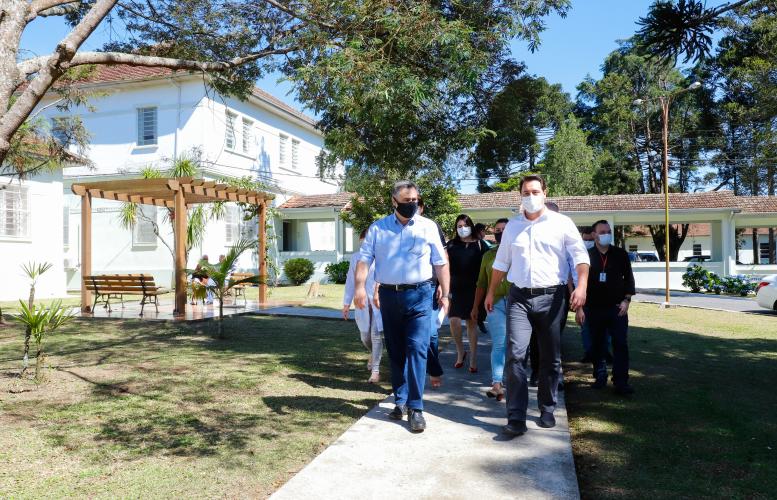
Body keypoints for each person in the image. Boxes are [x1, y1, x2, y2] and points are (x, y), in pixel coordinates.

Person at [485, 174, 590, 437]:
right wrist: (489, 293)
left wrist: (582, 286)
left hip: (552, 298)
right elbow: (501, 263)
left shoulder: (562, 223)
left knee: (549, 357)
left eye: (534, 192)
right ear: (520, 196)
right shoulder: (512, 226)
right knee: (515, 355)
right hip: (519, 297)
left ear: (545, 192)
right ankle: (516, 417)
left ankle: (547, 408)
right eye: (525, 193)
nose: (530, 197)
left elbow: (579, 256)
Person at [355, 181, 450, 433]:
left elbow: (441, 262)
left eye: (415, 200)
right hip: (389, 296)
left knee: (418, 348)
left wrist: (446, 292)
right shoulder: (378, 228)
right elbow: (364, 260)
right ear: (394, 201)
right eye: (407, 201)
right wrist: (358, 288)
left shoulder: (428, 227)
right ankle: (400, 400)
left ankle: (416, 408)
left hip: (420, 294)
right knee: (396, 351)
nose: (412, 205)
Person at [577, 220, 636, 395]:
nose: (606, 234)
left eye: (608, 231)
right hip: (593, 308)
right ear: (594, 235)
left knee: (620, 344)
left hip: (617, 308)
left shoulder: (620, 254)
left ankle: (621, 381)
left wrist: (627, 300)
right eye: (602, 232)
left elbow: (629, 279)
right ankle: (600, 375)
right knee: (598, 345)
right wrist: (580, 307)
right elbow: (580, 282)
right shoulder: (586, 256)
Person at [471, 218, 510, 401]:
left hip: (518, 303)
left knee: (517, 346)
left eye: (504, 229)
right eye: (497, 229)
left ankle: (513, 380)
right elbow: (481, 283)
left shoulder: (519, 252)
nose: (500, 232)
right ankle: (497, 383)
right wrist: (475, 307)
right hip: (494, 303)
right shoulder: (488, 256)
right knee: (499, 343)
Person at [446, 214, 489, 373]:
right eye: (459, 226)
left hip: (475, 289)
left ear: (471, 226)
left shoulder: (480, 245)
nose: (462, 229)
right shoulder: (450, 245)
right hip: (455, 289)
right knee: (454, 321)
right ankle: (460, 352)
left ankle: (473, 358)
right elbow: (444, 267)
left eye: (465, 225)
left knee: (472, 323)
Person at [343, 227, 383, 384]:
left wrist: (379, 292)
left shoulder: (382, 257)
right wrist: (346, 303)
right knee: (365, 336)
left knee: (376, 335)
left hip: (380, 301)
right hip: (362, 301)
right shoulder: (356, 258)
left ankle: (375, 371)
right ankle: (373, 354)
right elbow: (350, 282)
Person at [418, 198, 445, 389]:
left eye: (416, 204)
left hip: (431, 288)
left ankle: (433, 369)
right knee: (421, 334)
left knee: (432, 333)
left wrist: (443, 285)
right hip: (407, 291)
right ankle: (428, 369)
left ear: (421, 207)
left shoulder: (430, 227)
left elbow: (442, 259)